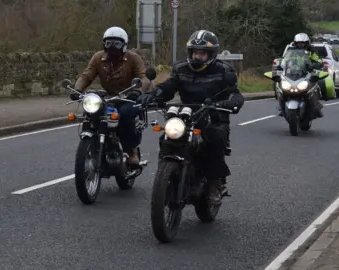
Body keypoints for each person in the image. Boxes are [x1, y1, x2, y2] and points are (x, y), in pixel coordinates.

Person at [137, 30, 245, 205]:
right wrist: (153, 95)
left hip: (214, 115)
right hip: (187, 113)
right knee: (167, 137)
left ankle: (214, 183)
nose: (197, 56)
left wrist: (231, 103)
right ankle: (165, 177)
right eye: (194, 52)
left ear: (211, 54)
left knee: (215, 139)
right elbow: (168, 87)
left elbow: (235, 94)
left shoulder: (223, 70)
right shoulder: (180, 68)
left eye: (202, 53)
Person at [70, 26, 149, 166]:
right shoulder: (98, 58)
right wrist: (77, 90)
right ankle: (91, 143)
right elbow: (87, 75)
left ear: (124, 45)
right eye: (108, 43)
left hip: (128, 96)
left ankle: (131, 150)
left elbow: (144, 78)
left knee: (126, 114)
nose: (112, 47)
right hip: (108, 97)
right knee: (91, 112)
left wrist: (137, 91)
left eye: (116, 43)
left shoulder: (133, 58)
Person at [278, 33, 324, 117]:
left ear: (307, 43)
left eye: (303, 43)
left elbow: (319, 60)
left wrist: (316, 65)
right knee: (280, 85)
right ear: (295, 43)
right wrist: (280, 65)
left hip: (308, 72)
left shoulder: (312, 51)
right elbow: (284, 59)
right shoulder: (291, 51)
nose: (301, 45)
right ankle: (282, 107)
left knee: (315, 85)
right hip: (293, 73)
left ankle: (316, 105)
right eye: (299, 43)